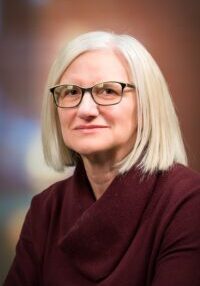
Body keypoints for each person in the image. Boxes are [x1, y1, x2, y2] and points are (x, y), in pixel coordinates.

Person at [4, 31, 200, 286]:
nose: (85, 110)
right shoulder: (46, 209)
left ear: (146, 106)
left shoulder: (188, 203)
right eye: (71, 92)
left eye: (108, 90)